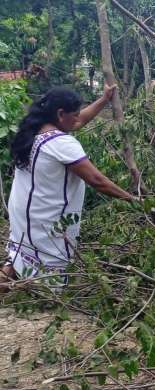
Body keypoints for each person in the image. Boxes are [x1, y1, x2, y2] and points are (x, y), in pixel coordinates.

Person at [1, 85, 138, 291]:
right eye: (74, 115)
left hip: (25, 209)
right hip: (45, 214)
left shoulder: (35, 129)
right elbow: (97, 180)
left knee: (19, 255)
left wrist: (104, 99)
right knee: (50, 270)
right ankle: (42, 292)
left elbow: (79, 120)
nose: (78, 120)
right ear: (60, 114)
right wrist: (133, 200)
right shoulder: (61, 143)